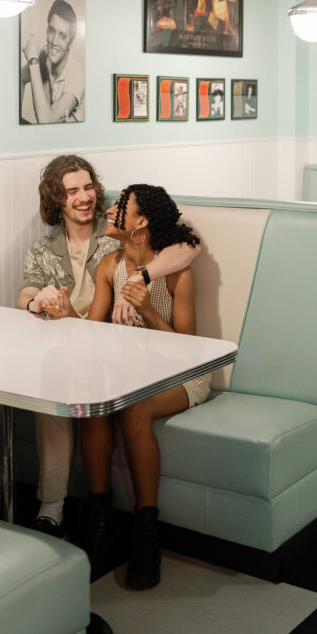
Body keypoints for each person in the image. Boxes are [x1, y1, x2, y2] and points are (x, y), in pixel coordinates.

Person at [0, 155, 200, 530]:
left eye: (88, 188)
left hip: (103, 353)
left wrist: (142, 281)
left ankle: (54, 508)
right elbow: (26, 298)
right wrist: (40, 303)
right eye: (72, 191)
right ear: (56, 200)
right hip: (63, 343)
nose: (85, 198)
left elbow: (187, 247)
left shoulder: (115, 234)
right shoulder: (44, 250)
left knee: (53, 391)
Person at [77, 184, 209, 590]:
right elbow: (92, 333)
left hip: (182, 374)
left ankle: (146, 532)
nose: (110, 208)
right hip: (129, 371)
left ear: (141, 222)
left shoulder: (177, 275)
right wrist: (67, 315)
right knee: (94, 405)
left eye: (121, 206)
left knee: (133, 409)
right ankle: (101, 526)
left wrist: (146, 308)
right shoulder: (108, 267)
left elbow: (189, 350)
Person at [21, 0, 84, 124]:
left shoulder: (77, 75)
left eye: (62, 36)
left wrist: (33, 60)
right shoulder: (45, 55)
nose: (54, 42)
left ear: (70, 43)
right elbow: (20, 77)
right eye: (51, 31)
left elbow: (46, 121)